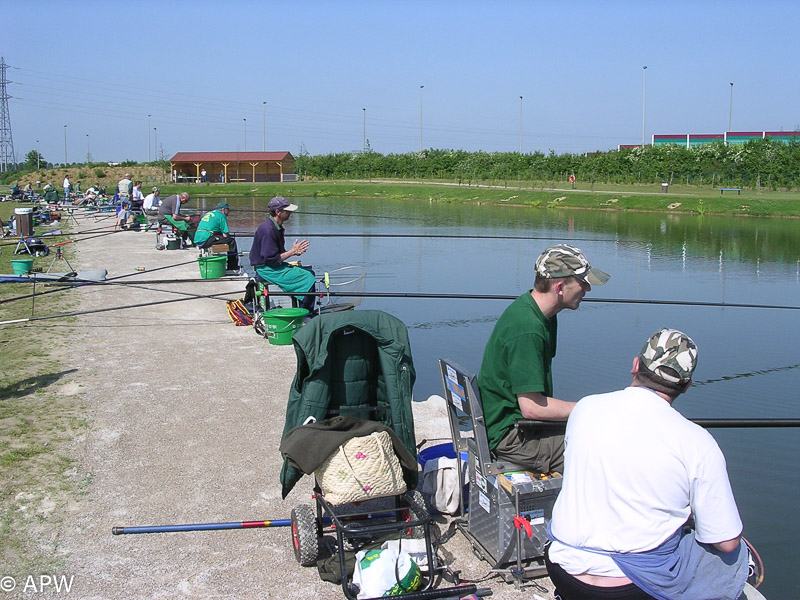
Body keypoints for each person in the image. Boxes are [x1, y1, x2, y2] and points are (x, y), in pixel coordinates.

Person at [546, 328, 749, 600]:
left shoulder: (585, 408)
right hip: (628, 588)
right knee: (735, 554)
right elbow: (726, 542)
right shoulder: (698, 442)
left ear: (635, 365)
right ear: (687, 386)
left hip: (561, 567)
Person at [477, 244, 609, 474]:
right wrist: (591, 408)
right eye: (583, 283)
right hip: (513, 439)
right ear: (560, 287)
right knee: (606, 448)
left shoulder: (538, 312)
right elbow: (531, 408)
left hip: (520, 427)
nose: (587, 289)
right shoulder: (528, 329)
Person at [249, 196, 316, 312]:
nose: (290, 212)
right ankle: (304, 314)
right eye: (287, 210)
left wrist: (294, 253)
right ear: (278, 212)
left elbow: (276, 254)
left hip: (273, 266)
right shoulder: (268, 230)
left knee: (310, 272)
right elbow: (271, 259)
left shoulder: (276, 226)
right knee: (308, 278)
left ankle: (302, 309)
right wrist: (292, 252)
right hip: (267, 269)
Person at [194, 201, 239, 272]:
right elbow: (225, 235)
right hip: (205, 240)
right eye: (228, 210)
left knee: (222, 238)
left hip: (197, 239)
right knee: (231, 241)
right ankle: (232, 267)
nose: (229, 212)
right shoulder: (222, 216)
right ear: (223, 210)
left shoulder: (209, 213)